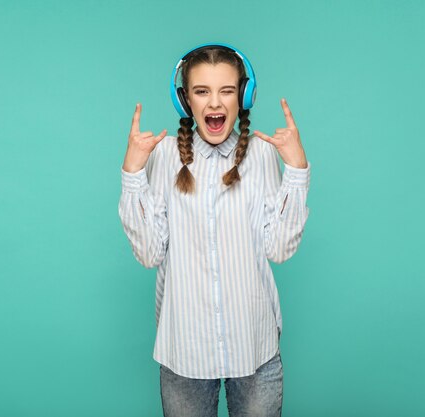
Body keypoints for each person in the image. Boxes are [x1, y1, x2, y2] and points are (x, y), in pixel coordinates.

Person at [118, 42, 310, 417]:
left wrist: (297, 171)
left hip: (255, 349)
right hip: (184, 352)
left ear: (243, 95)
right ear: (185, 100)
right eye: (201, 91)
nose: (215, 103)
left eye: (226, 90)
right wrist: (132, 174)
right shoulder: (162, 155)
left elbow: (281, 249)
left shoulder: (263, 155)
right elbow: (149, 254)